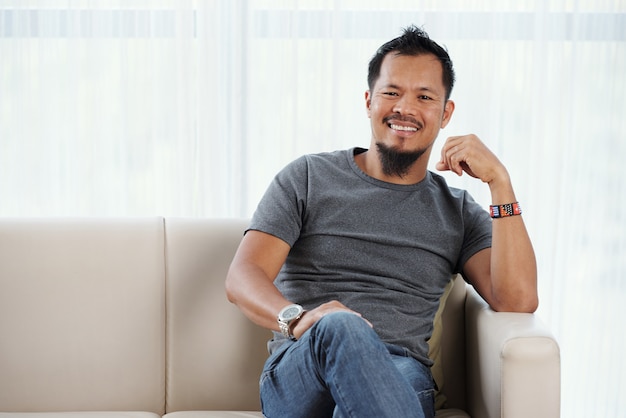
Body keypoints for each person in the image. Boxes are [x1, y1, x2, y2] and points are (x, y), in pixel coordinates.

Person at [225, 24, 538, 418]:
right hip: (301, 371)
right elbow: (242, 278)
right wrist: (302, 320)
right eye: (392, 92)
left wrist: (500, 183)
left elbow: (517, 300)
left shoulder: (456, 210)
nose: (404, 108)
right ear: (369, 100)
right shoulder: (307, 177)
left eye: (424, 97)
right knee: (341, 327)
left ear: (446, 114)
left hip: (399, 372)